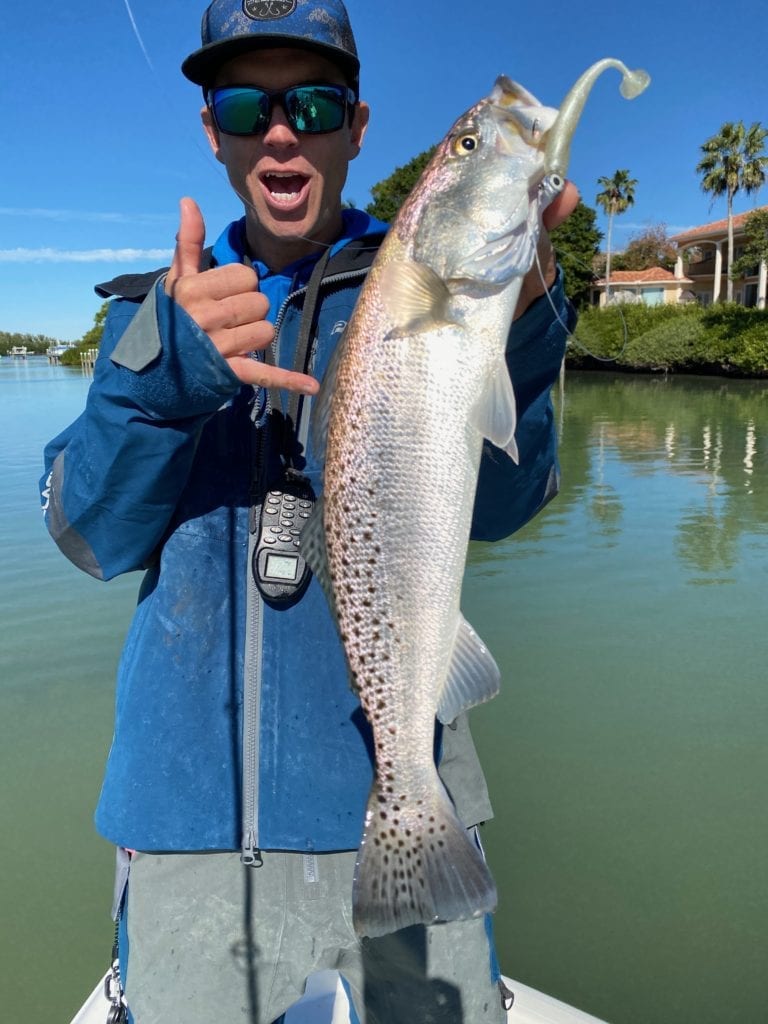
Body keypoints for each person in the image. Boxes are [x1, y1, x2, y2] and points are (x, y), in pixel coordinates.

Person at [41, 2, 578, 1021]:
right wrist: (154, 385)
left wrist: (523, 317)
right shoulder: (151, 309)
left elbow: (506, 506)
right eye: (247, 103)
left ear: (359, 125)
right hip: (185, 826)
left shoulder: (431, 287)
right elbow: (88, 533)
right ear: (214, 129)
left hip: (403, 792)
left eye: (315, 101)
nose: (281, 129)